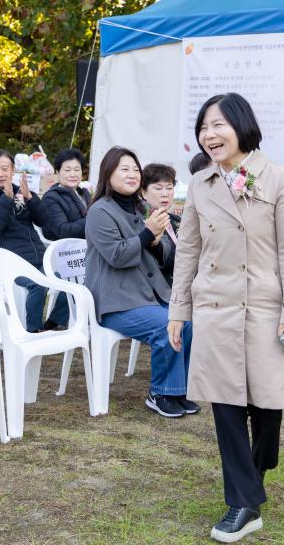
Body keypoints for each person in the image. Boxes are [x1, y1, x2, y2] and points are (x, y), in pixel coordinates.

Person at [167, 94, 284, 543]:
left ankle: (257, 470)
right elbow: (188, 250)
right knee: (226, 406)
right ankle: (243, 504)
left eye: (218, 125)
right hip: (214, 307)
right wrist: (178, 309)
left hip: (266, 308)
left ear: (241, 126)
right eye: (203, 127)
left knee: (267, 406)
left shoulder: (279, 178)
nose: (209, 135)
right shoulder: (200, 184)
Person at [85, 146, 196, 418]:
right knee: (165, 325)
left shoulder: (140, 208)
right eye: (124, 169)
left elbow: (163, 255)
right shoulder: (100, 211)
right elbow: (117, 255)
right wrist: (148, 234)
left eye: (135, 169)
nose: (132, 174)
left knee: (186, 321)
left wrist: (156, 243)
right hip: (116, 301)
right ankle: (160, 393)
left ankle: (178, 390)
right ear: (108, 173)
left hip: (145, 295)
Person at [0, 149, 70, 332]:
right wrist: (6, 199)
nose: (0, 174)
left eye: (5, 169)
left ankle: (53, 323)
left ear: (13, 171)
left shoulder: (23, 192)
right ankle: (33, 331)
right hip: (9, 264)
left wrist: (31, 199)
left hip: (38, 258)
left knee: (68, 279)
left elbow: (44, 221)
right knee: (38, 285)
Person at [140, 163, 179, 286]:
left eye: (169, 188)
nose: (165, 194)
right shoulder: (141, 221)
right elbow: (161, 259)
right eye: (158, 188)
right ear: (143, 193)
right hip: (159, 288)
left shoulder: (176, 219)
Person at [41, 148, 91, 240]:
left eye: (77, 170)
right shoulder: (50, 198)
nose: (73, 174)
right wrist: (93, 220)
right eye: (67, 170)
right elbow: (62, 230)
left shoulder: (84, 193)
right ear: (57, 173)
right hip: (65, 247)